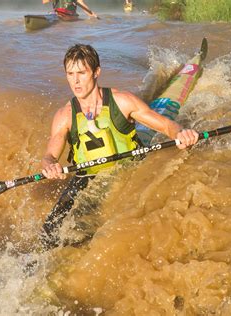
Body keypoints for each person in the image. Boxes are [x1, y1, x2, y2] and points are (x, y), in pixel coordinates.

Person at [40, 44, 198, 250]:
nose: (75, 81)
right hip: (86, 177)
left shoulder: (122, 101)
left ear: (96, 72)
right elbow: (49, 155)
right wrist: (50, 165)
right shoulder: (64, 115)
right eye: (70, 73)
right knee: (49, 231)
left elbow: (167, 125)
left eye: (81, 73)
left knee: (101, 230)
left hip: (128, 168)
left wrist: (181, 133)